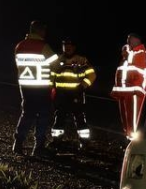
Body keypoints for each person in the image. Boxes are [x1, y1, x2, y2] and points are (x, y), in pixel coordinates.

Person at [13, 20, 60, 156]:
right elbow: (56, 65)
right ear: (39, 31)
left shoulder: (19, 46)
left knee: (27, 114)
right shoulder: (43, 46)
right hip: (42, 86)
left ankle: (18, 143)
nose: (45, 33)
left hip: (25, 85)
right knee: (43, 116)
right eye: (44, 30)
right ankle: (38, 147)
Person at [50, 37, 96, 150]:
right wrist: (51, 88)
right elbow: (51, 76)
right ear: (63, 47)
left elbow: (92, 75)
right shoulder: (57, 60)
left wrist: (83, 86)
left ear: (74, 47)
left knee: (80, 118)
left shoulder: (81, 60)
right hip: (61, 94)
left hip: (77, 94)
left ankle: (84, 143)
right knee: (59, 118)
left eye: (70, 46)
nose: (68, 48)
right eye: (65, 46)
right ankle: (56, 141)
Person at [111, 32, 146, 138]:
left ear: (138, 40)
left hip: (134, 91)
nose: (128, 41)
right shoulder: (126, 55)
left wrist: (127, 55)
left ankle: (135, 142)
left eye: (131, 39)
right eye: (128, 39)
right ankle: (129, 139)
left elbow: (139, 71)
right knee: (126, 120)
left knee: (134, 120)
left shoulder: (141, 53)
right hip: (124, 91)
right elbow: (121, 72)